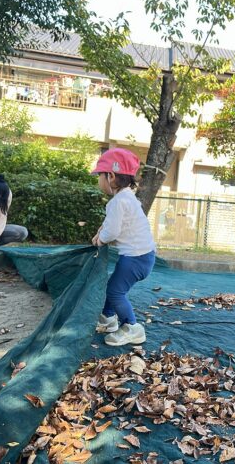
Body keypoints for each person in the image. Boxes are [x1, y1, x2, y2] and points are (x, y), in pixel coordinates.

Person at [92, 148, 157, 347]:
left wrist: (99, 240)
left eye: (100, 176)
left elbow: (111, 231)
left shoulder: (118, 202)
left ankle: (132, 328)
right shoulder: (127, 197)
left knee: (114, 292)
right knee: (114, 286)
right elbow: (114, 223)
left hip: (135, 259)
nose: (98, 181)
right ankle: (108, 318)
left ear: (111, 176)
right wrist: (103, 230)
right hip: (143, 256)